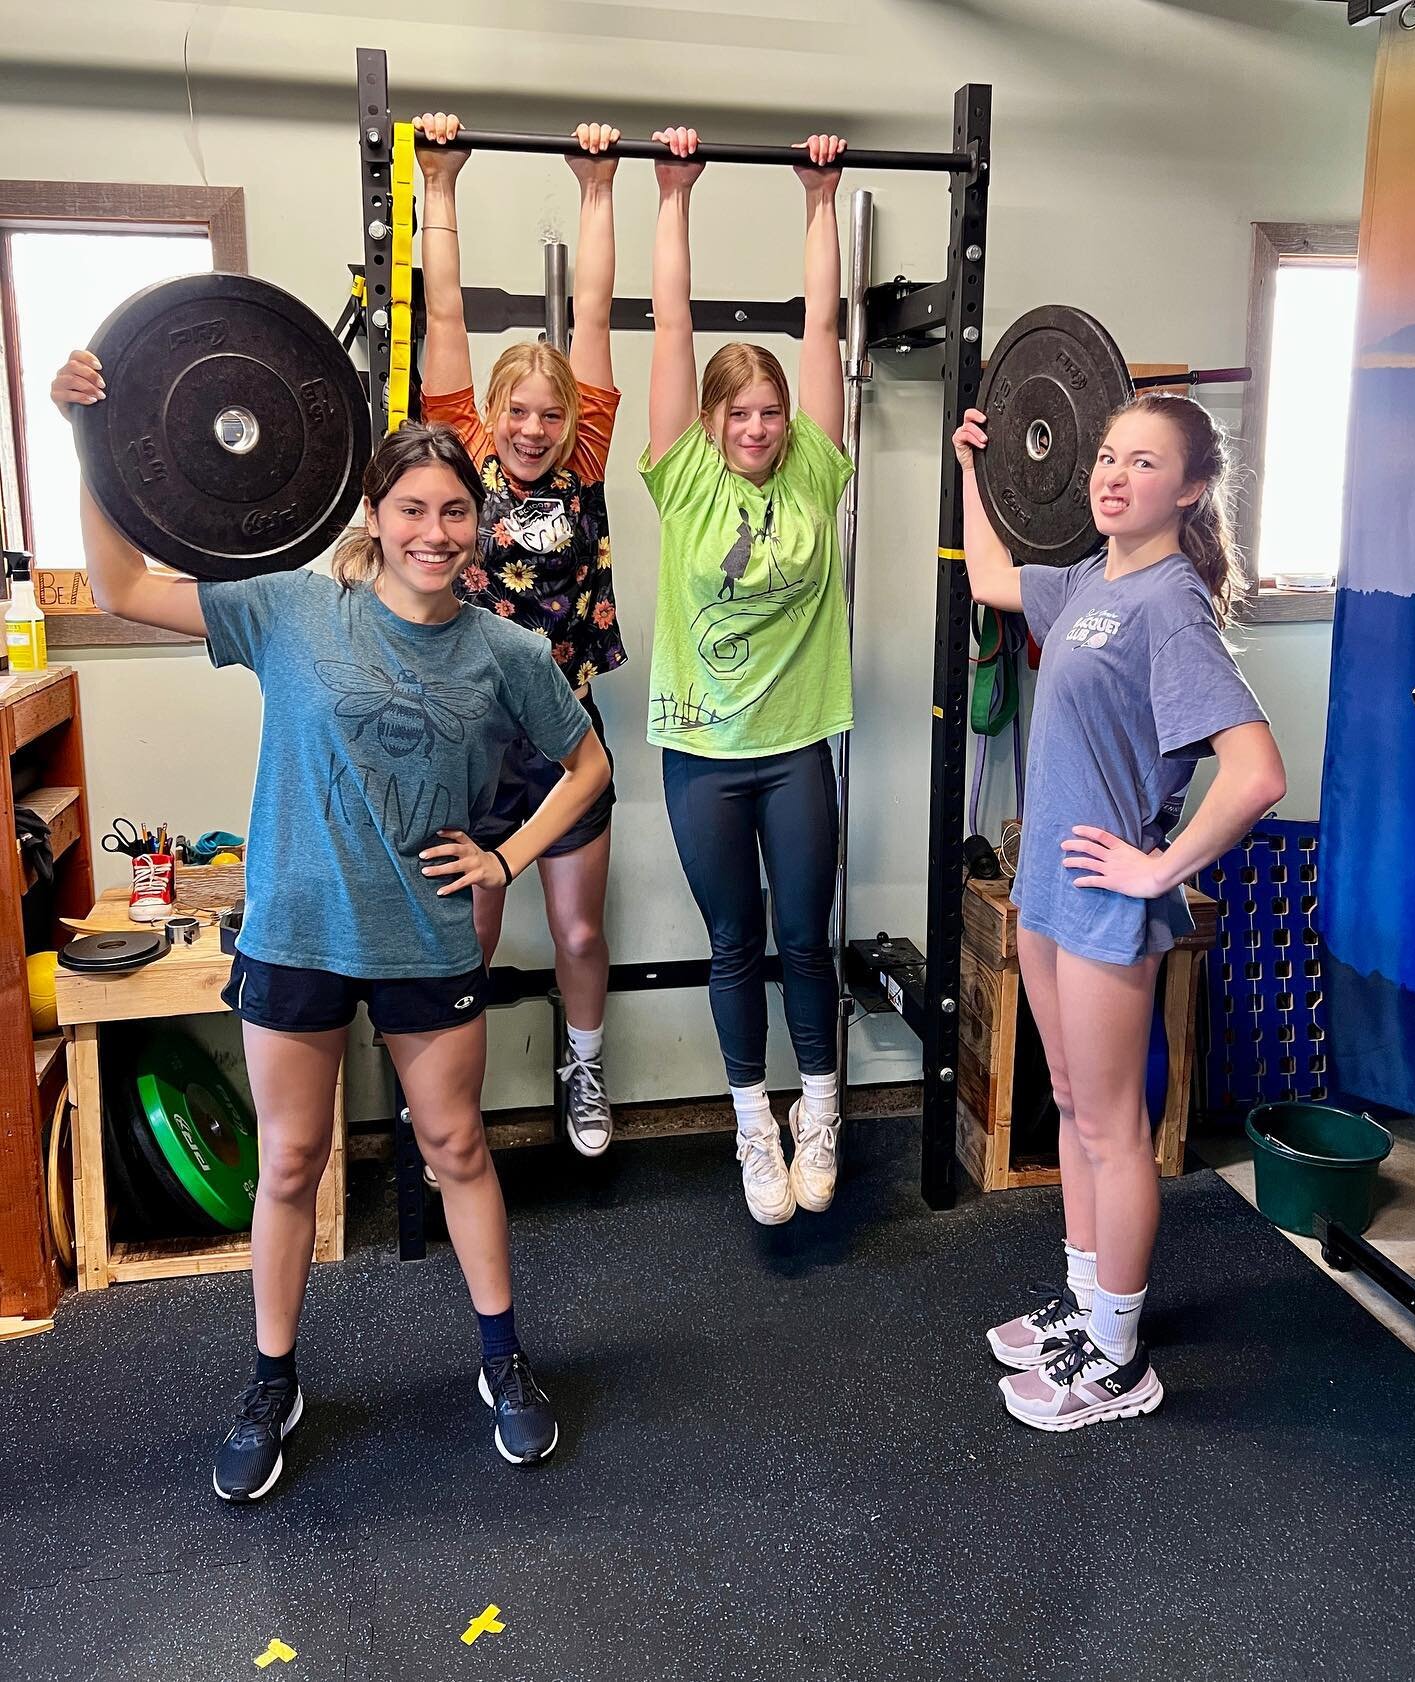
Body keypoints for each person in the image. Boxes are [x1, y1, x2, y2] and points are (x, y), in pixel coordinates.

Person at [53, 349, 611, 1494]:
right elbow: (118, 587)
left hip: (424, 934)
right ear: (377, 513)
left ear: (480, 522)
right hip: (297, 929)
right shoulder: (295, 608)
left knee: (458, 1147)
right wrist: (87, 442)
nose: (437, 529)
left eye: (456, 509)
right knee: (293, 1160)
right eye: (414, 507)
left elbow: (588, 762)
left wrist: (505, 851)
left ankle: (502, 1361)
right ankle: (273, 1378)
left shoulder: (506, 650)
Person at [953, 392, 1286, 1430]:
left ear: (1188, 490)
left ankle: (1116, 1357)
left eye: (1142, 463)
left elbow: (1256, 772)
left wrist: (1161, 870)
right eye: (1106, 455)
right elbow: (991, 577)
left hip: (1104, 898)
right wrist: (976, 467)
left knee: (1111, 1128)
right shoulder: (1092, 582)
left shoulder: (1171, 603)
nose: (1111, 474)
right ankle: (1086, 1299)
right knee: (1070, 1101)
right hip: (1049, 887)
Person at [641, 127, 854, 1226]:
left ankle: (820, 1104)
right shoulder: (681, 481)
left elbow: (823, 324)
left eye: (771, 410)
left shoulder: (816, 467)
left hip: (795, 747)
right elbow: (672, 326)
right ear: (714, 422)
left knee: (805, 936)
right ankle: (751, 1124)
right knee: (734, 941)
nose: (761, 425)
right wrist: (673, 193)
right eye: (742, 412)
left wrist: (820, 200)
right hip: (702, 753)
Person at [413, 111, 626, 1158]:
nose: (536, 428)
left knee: (580, 929)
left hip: (563, 742)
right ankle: (453, 1103)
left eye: (551, 411)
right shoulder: (459, 463)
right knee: (473, 930)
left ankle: (584, 1069)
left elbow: (595, 319)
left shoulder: (584, 459)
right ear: (489, 414)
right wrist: (438, 182)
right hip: (468, 739)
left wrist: (598, 187)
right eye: (519, 411)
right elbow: (443, 310)